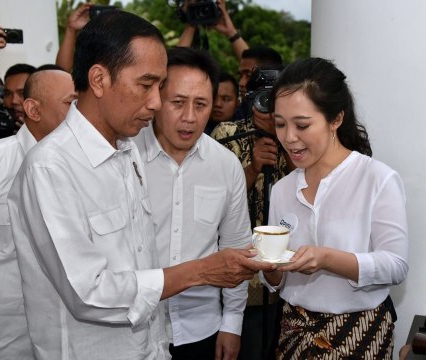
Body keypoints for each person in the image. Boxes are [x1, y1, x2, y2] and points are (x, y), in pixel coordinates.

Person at [7, 11, 274, 360]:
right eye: (146, 85)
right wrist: (201, 270)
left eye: (159, 86)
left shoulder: (127, 151)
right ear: (99, 80)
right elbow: (88, 293)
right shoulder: (50, 168)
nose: (156, 102)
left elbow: (140, 264)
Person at [261, 57, 409, 359]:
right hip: (293, 331)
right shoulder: (282, 189)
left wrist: (327, 258)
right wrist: (269, 267)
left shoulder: (377, 179)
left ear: (336, 119)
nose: (289, 137)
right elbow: (276, 280)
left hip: (359, 332)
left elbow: (396, 265)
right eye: (279, 124)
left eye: (302, 125)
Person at [133, 46, 250, 360]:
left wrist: (233, 323)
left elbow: (236, 249)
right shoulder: (126, 158)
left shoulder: (226, 165)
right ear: (156, 99)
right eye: (178, 102)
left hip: (203, 330)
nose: (189, 117)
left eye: (201, 105)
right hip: (134, 329)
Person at [0, 68, 76, 359]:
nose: (81, 114)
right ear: (33, 109)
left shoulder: (82, 168)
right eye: (71, 103)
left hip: (64, 342)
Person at [210, 46, 289, 360]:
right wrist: (253, 167)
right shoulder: (227, 133)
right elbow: (214, 204)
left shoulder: (299, 140)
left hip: (286, 279)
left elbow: (315, 192)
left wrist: (283, 134)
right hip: (237, 280)